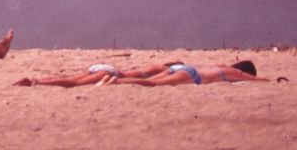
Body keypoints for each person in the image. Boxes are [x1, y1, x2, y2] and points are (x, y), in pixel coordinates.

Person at [13, 61, 185, 87]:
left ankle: (38, 80)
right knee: (74, 84)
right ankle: (38, 83)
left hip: (102, 65)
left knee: (72, 79)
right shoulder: (163, 70)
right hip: (107, 71)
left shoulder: (153, 66)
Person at [103, 60, 270, 86]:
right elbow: (256, 79)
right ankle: (116, 82)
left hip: (185, 68)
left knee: (152, 80)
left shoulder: (219, 65)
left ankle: (113, 78)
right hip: (191, 75)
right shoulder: (235, 72)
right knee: (153, 84)